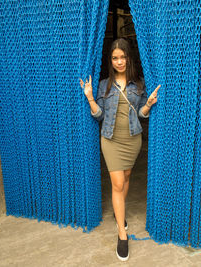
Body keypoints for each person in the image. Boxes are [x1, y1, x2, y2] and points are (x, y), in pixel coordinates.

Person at [79, 38, 160, 261]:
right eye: (115, 58)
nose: (119, 61)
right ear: (111, 60)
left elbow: (142, 115)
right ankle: (121, 234)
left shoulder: (139, 85)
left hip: (133, 140)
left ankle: (119, 213)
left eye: (122, 57)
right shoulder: (104, 85)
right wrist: (89, 97)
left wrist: (149, 103)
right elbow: (99, 116)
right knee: (117, 183)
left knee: (125, 179)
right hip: (111, 140)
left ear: (128, 58)